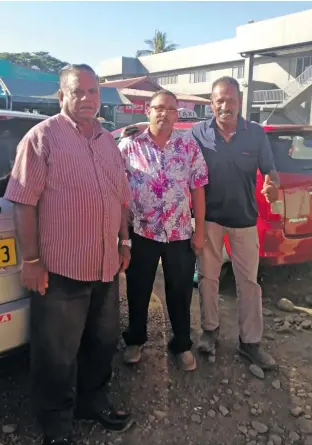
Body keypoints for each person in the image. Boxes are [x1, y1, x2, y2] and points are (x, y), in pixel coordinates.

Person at [4, 64, 133, 445]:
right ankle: (57, 427)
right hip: (60, 271)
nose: (88, 99)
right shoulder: (41, 138)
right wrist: (30, 261)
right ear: (62, 96)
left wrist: (125, 241)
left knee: (103, 342)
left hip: (105, 266)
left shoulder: (108, 141)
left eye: (93, 92)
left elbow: (120, 197)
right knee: (56, 355)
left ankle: (91, 402)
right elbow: (23, 203)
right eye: (78, 92)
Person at [188, 76, 280, 369]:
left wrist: (272, 185)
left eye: (231, 100)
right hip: (209, 220)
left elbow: (271, 171)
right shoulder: (197, 133)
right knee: (208, 278)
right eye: (219, 100)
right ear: (212, 103)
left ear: (239, 102)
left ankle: (250, 342)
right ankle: (210, 331)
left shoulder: (255, 134)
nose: (225, 106)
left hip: (244, 221)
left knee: (249, 283)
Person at [118, 90, 208, 372]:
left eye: (171, 109)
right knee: (138, 288)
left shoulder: (188, 147)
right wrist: (123, 237)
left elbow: (198, 189)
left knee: (180, 292)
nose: (164, 113)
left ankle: (181, 344)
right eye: (159, 108)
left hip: (179, 233)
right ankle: (135, 339)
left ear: (177, 114)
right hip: (142, 232)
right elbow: (118, 193)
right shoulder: (129, 147)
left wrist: (200, 231)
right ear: (148, 110)